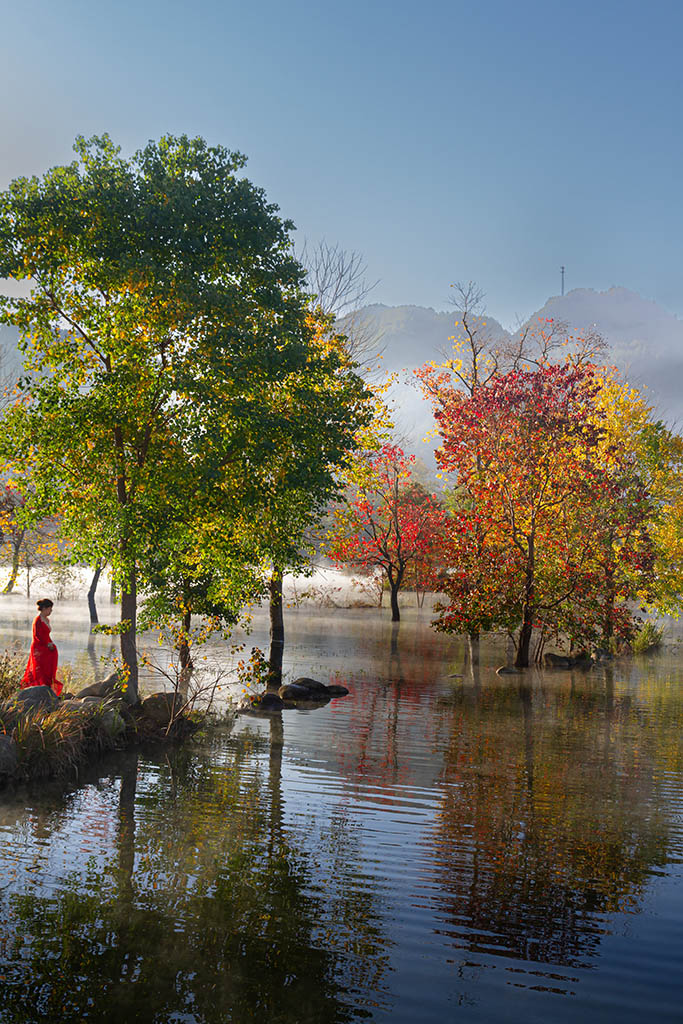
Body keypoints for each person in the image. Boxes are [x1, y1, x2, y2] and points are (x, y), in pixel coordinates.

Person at [21, 599, 63, 696]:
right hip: (39, 647)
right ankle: (37, 689)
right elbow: (37, 636)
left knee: (48, 668)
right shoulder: (37, 620)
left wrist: (50, 643)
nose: (51, 611)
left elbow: (46, 635)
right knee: (39, 669)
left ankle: (47, 687)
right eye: (49, 609)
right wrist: (47, 645)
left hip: (47, 646)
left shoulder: (47, 619)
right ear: (44, 608)